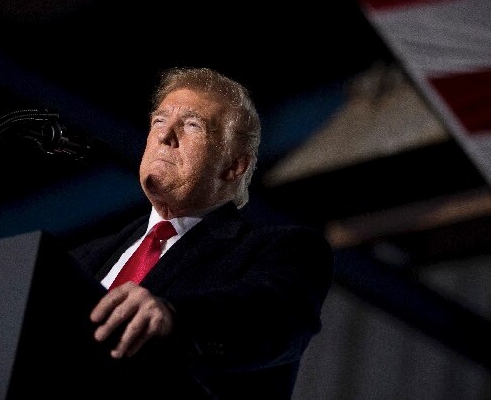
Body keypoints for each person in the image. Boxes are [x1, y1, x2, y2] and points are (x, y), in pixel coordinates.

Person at [69, 67, 334, 399]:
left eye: (191, 125)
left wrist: (175, 315)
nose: (166, 135)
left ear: (233, 166)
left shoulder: (282, 248)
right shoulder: (80, 257)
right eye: (159, 122)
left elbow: (274, 317)